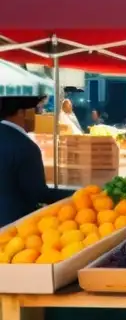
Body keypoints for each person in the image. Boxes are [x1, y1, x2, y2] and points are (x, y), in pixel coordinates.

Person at [0, 96, 73, 227]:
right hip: (13, 228)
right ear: (21, 112)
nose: (37, 116)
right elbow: (39, 193)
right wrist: (75, 194)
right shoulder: (24, 146)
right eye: (35, 111)